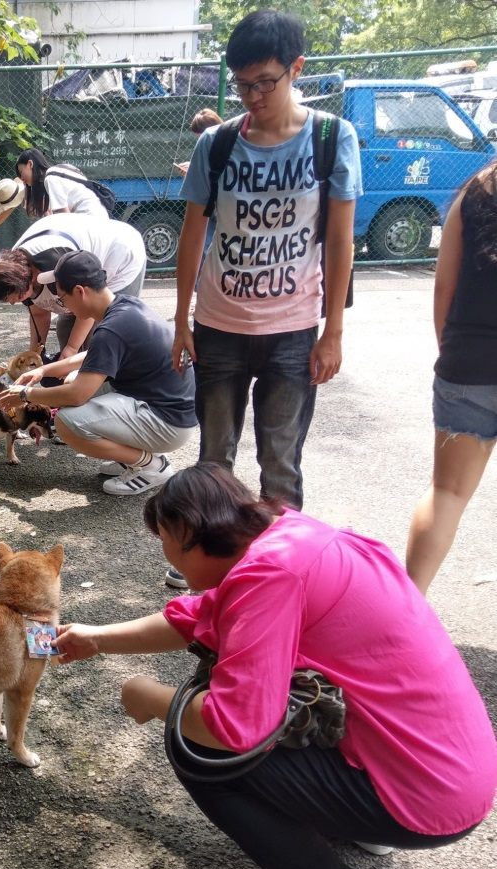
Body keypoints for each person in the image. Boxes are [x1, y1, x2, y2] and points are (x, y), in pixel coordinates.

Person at [54, 463, 497, 869]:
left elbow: (233, 727)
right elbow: (202, 615)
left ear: (191, 536)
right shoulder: (292, 536)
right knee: (244, 695)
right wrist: (97, 639)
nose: (166, 556)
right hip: (451, 769)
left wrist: (149, 698)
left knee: (200, 750)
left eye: (166, 543)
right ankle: (354, 815)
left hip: (423, 799)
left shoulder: (270, 577)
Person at [172, 10, 362, 509]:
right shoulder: (218, 144)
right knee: (215, 460)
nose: (253, 97)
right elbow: (192, 235)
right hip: (218, 326)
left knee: (280, 461)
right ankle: (211, 566)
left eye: (265, 83)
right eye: (242, 86)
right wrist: (180, 321)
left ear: (296, 68)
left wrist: (333, 331)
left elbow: (341, 241)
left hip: (293, 330)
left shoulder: (331, 137)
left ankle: (279, 573)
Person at [0, 251, 195, 497]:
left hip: (167, 423)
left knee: (67, 422)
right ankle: (130, 457)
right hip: (167, 408)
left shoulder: (112, 328)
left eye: (62, 297)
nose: (63, 306)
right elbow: (92, 355)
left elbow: (77, 395)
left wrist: (26, 395)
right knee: (73, 385)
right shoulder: (124, 306)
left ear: (80, 291)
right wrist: (43, 371)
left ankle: (152, 465)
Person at [406, 160, 497, 594]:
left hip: (468, 362)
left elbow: (444, 287)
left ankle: (406, 613)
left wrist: (453, 354)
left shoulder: (477, 191)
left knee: (447, 494)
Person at [0, 213, 147, 369]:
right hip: (76, 268)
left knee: (106, 332)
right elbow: (39, 314)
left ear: (20, 280)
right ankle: (75, 384)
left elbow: (89, 305)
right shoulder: (15, 269)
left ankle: (107, 390)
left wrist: (71, 349)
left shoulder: (53, 262)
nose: (14, 302)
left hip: (120, 255)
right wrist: (35, 355)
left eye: (13, 297)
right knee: (65, 328)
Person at [0, 147, 110, 242]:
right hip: (98, 220)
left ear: (30, 164)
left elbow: (65, 217)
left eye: (22, 172)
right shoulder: (53, 174)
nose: (22, 178)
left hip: (89, 224)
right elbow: (4, 214)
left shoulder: (50, 179)